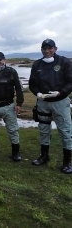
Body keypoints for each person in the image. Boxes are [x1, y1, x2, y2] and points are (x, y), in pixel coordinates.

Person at [29, 38, 72, 174]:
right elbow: (32, 84)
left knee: (65, 131)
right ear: (41, 49)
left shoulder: (64, 62)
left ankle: (67, 162)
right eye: (44, 49)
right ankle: (44, 156)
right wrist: (38, 93)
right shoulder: (37, 65)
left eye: (50, 48)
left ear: (55, 49)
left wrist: (60, 92)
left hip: (60, 102)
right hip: (43, 103)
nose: (47, 51)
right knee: (43, 129)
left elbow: (71, 82)